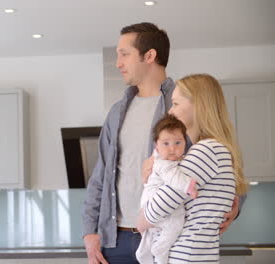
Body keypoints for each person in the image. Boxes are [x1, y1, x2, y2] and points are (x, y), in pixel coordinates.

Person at [82, 22, 241, 264]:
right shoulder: (116, 112)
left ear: (149, 56)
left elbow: (223, 159)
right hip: (115, 240)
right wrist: (89, 231)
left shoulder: (185, 105)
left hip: (169, 238)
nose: (118, 63)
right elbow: (100, 175)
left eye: (124, 54)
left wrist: (235, 206)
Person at [136, 73, 248, 263]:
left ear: (199, 105)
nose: (170, 111)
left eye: (176, 104)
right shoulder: (211, 150)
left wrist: (141, 219)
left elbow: (162, 203)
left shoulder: (207, 150)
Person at [135, 114, 198, 264]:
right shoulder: (163, 163)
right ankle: (160, 250)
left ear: (185, 142)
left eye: (178, 142)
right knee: (176, 223)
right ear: (156, 144)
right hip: (155, 200)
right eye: (166, 143)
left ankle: (143, 253)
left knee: (153, 232)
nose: (172, 149)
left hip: (149, 202)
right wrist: (190, 187)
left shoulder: (160, 159)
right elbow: (173, 177)